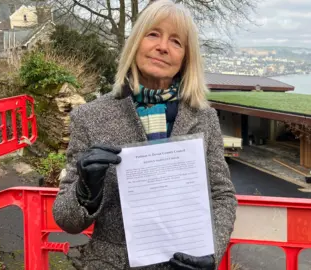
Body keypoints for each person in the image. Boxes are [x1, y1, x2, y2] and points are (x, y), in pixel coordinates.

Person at [52, 0, 238, 269]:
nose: (163, 47)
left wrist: (212, 250)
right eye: (153, 34)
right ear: (135, 44)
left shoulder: (203, 117)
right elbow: (67, 221)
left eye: (176, 41)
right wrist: (85, 189)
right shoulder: (90, 116)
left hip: (181, 263)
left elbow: (222, 195)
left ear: (186, 57)